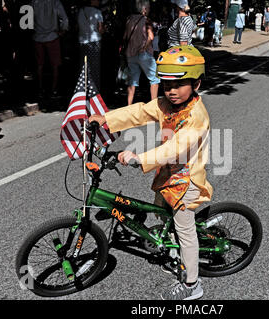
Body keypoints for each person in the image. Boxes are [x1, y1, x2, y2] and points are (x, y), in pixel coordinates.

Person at [88, 45, 212, 300]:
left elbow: (174, 149)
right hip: (168, 173)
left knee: (184, 227)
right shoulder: (166, 104)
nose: (171, 91)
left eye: (179, 85)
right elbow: (140, 111)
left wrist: (138, 158)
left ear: (196, 84)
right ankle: (173, 251)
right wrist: (107, 119)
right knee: (162, 212)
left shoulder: (196, 117)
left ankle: (192, 284)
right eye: (166, 85)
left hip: (186, 179)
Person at [123, 0, 160, 105]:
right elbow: (151, 36)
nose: (148, 10)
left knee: (132, 81)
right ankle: (153, 105)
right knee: (154, 79)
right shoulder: (146, 20)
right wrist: (145, 47)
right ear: (144, 9)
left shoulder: (129, 19)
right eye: (148, 8)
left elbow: (125, 37)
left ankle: (129, 105)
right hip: (144, 54)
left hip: (130, 53)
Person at [31, 0, 69, 99]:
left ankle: (40, 88)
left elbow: (27, 20)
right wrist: (62, 31)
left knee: (39, 65)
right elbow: (64, 19)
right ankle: (53, 89)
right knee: (55, 65)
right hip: (52, 36)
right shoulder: (55, 2)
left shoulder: (34, 2)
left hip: (37, 37)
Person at [77, 0, 105, 90]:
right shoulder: (97, 12)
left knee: (84, 66)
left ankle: (83, 88)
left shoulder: (81, 11)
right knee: (95, 67)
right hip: (94, 41)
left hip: (82, 41)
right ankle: (94, 90)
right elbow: (100, 29)